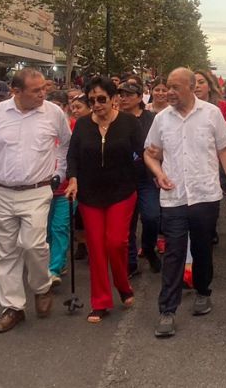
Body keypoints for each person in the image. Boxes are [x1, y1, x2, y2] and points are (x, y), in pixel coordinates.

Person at [0, 68, 71, 333]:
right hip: (0, 191)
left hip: (37, 190)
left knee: (33, 245)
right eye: (36, 90)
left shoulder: (53, 113)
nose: (43, 94)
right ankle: (13, 307)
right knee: (5, 252)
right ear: (16, 91)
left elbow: (66, 143)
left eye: (44, 88)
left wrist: (60, 171)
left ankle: (42, 287)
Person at [145, 68, 226, 338]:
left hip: (205, 194)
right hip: (173, 196)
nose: (170, 92)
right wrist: (159, 172)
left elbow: (225, 148)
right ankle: (167, 310)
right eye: (168, 87)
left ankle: (202, 291)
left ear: (190, 87)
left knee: (201, 248)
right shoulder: (162, 119)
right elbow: (150, 153)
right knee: (174, 252)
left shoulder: (211, 113)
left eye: (175, 87)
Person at [64, 77, 144, 323]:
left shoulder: (130, 123)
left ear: (113, 99)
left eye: (101, 99)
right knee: (96, 248)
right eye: (92, 100)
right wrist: (73, 179)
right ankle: (100, 302)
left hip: (122, 191)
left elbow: (141, 155)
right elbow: (73, 156)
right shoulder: (82, 125)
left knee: (116, 242)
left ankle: (123, 285)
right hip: (90, 195)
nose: (97, 104)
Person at [117, 82, 161, 276]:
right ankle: (130, 262)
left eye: (128, 94)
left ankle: (149, 248)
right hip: (123, 178)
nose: (123, 98)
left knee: (152, 217)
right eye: (121, 94)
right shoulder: (114, 119)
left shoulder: (152, 118)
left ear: (139, 97)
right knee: (127, 224)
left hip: (146, 177)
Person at [44, 90, 75, 287]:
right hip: (41, 189)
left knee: (60, 227)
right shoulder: (39, 127)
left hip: (65, 189)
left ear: (65, 107)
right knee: (44, 230)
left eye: (58, 106)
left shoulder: (73, 127)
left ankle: (54, 269)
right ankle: (51, 263)